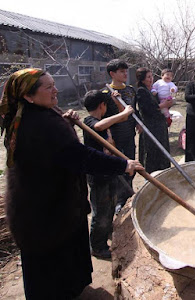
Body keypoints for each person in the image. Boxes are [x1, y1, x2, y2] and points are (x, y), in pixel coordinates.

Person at [0, 68, 144, 299]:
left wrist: (66, 122)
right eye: (48, 87)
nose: (55, 89)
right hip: (47, 208)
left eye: (53, 84)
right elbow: (80, 156)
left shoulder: (32, 114)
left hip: (46, 202)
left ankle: (70, 289)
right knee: (53, 263)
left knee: (63, 254)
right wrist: (122, 165)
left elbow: (58, 149)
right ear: (28, 95)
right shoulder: (40, 124)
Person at [83, 90, 134, 258]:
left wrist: (117, 102)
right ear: (101, 106)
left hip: (109, 171)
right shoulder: (89, 121)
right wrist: (125, 112)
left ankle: (106, 233)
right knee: (100, 212)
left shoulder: (103, 119)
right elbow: (99, 127)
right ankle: (97, 246)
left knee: (110, 206)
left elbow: (123, 117)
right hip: (98, 175)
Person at [102, 59, 140, 214]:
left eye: (126, 71)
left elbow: (134, 109)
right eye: (121, 71)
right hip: (115, 135)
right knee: (118, 166)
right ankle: (119, 201)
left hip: (129, 133)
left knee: (131, 164)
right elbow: (103, 117)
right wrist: (108, 137)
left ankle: (129, 195)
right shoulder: (105, 93)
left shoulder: (130, 90)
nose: (125, 74)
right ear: (112, 74)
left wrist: (139, 123)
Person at [136, 67, 171, 173]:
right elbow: (149, 109)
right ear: (142, 79)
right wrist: (163, 105)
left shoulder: (151, 91)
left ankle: (162, 173)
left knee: (161, 152)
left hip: (159, 126)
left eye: (151, 77)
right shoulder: (141, 91)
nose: (151, 79)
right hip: (151, 127)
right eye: (148, 77)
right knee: (152, 153)